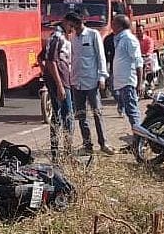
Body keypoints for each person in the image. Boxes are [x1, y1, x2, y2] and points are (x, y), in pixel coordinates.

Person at [63, 12, 113, 155]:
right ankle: (87, 145)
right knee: (81, 114)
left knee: (97, 113)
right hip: (76, 82)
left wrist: (102, 77)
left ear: (75, 23)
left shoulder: (93, 35)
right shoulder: (72, 38)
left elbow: (100, 56)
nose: (68, 27)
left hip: (91, 81)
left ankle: (104, 143)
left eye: (70, 24)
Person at [42, 22, 73, 160]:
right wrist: (58, 84)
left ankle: (60, 151)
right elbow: (50, 61)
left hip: (62, 81)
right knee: (65, 116)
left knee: (60, 116)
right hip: (60, 83)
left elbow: (42, 57)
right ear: (69, 24)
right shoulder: (57, 38)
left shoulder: (62, 38)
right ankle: (64, 151)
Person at [111, 15, 143, 130]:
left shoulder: (129, 39)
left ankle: (138, 140)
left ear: (119, 26)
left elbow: (138, 61)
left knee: (132, 112)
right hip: (121, 82)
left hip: (128, 81)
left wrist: (140, 83)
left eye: (113, 24)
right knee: (130, 112)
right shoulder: (120, 39)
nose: (111, 26)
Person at [135, 23, 158, 95]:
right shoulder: (134, 40)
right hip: (137, 60)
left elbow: (150, 49)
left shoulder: (148, 40)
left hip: (147, 59)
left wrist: (146, 54)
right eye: (137, 31)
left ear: (143, 31)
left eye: (140, 30)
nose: (139, 32)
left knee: (148, 69)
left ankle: (150, 84)